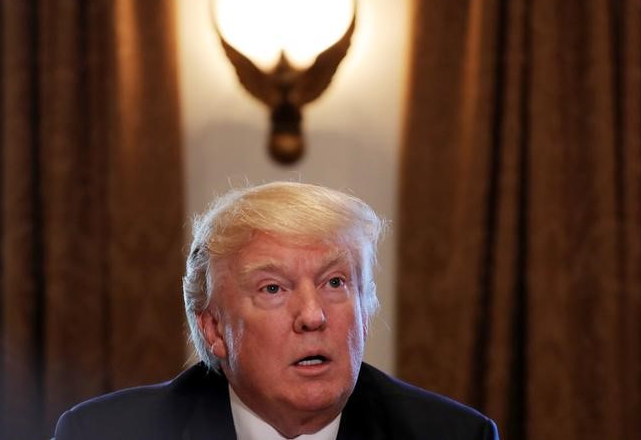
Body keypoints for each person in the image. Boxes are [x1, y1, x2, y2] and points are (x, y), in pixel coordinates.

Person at [54, 181, 499, 439]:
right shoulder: (104, 434)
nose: (312, 315)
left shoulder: (453, 436)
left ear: (365, 312)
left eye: (335, 283)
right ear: (213, 329)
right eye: (273, 288)